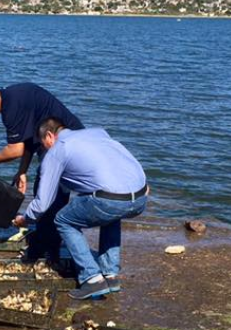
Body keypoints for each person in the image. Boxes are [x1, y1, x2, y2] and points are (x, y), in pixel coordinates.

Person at [13, 118, 149, 299]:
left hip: (111, 200)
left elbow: (42, 204)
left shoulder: (57, 150)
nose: (44, 149)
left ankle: (92, 279)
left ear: (49, 136)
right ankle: (110, 274)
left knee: (63, 220)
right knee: (112, 213)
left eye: (43, 144)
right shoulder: (97, 132)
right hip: (140, 196)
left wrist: (25, 219)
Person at [0, 81, 83, 262]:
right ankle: (48, 245)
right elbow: (28, 139)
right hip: (57, 144)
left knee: (49, 198)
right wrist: (22, 170)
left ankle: (48, 250)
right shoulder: (11, 99)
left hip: (67, 144)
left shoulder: (11, 109)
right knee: (47, 196)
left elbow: (16, 150)